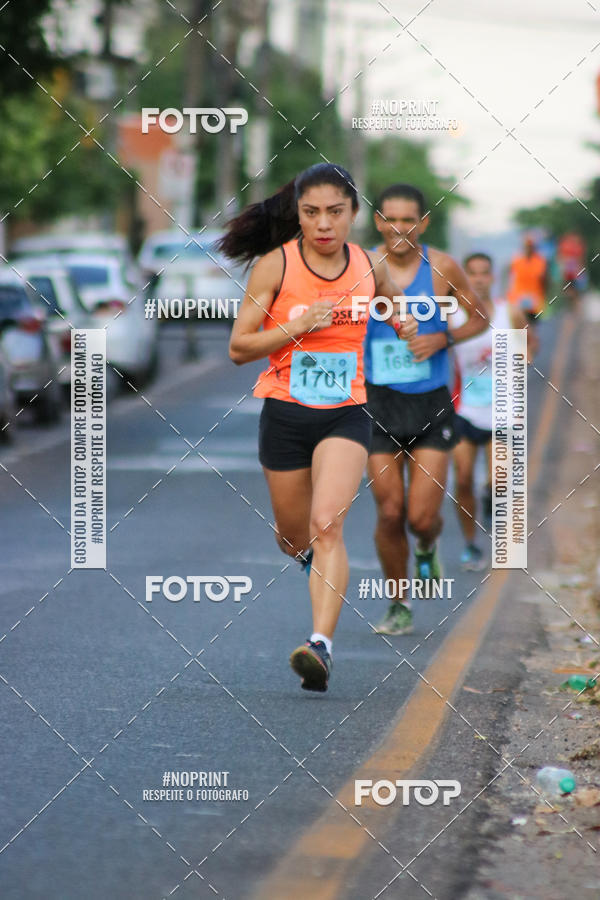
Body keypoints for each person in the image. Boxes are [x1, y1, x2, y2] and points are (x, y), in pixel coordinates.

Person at [221, 163, 417, 691]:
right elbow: (239, 347)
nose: (323, 223)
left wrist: (401, 320)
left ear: (354, 214)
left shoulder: (368, 264)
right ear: (298, 214)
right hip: (285, 414)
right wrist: (298, 325)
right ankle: (314, 565)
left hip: (345, 413)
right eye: (311, 213)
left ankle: (320, 647)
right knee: (294, 537)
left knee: (327, 524)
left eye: (335, 212)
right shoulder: (276, 266)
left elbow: (389, 300)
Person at [364, 183, 489, 635]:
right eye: (391, 219)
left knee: (420, 518)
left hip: (432, 404)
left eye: (408, 220)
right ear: (378, 221)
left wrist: (442, 337)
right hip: (377, 402)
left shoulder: (442, 267)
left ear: (423, 222)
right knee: (389, 513)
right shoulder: (361, 266)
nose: (399, 228)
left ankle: (426, 545)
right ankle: (399, 604)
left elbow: (479, 318)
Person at [452, 253, 536, 570]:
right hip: (464, 409)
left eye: (484, 273)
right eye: (472, 273)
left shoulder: (508, 311)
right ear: (464, 278)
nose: (478, 279)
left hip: (502, 410)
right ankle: (471, 544)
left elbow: (530, 343)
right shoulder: (454, 316)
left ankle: (491, 499)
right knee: (462, 480)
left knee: (498, 481)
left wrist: (523, 356)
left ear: (493, 278)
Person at [507, 234, 547, 324]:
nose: (528, 248)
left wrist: (544, 295)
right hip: (518, 297)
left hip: (535, 298)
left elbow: (544, 280)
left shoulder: (540, 261)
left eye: (530, 246)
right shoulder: (516, 260)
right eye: (526, 246)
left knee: (532, 324)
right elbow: (509, 277)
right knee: (520, 324)